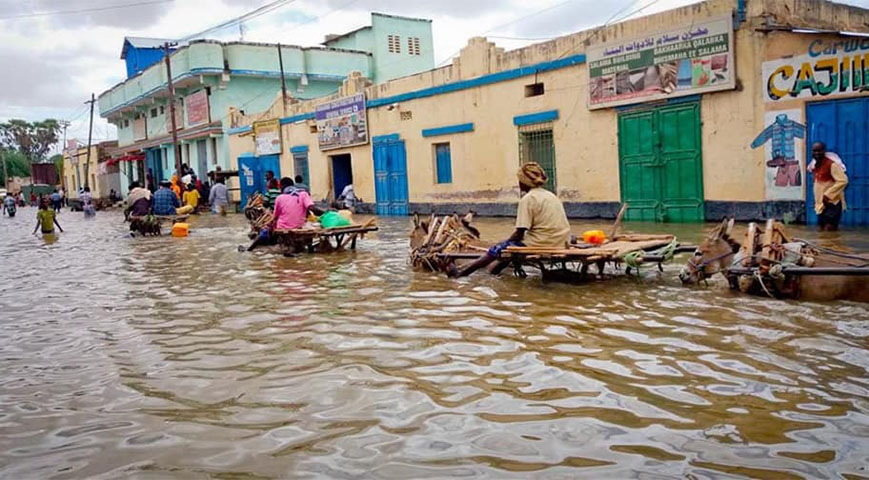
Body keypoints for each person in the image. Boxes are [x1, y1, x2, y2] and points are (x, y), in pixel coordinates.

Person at [450, 163, 570, 277]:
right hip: (561, 240)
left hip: (541, 242)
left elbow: (519, 233)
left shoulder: (528, 199)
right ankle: (493, 273)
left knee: (496, 249)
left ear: (523, 182)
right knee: (508, 248)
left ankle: (462, 274)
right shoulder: (551, 195)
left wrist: (503, 243)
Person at [810, 142, 848, 231]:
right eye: (814, 151)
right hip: (821, 204)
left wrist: (828, 195)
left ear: (824, 151)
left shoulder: (832, 165)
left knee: (829, 230)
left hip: (832, 203)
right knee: (821, 231)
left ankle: (834, 245)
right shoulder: (816, 165)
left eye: (819, 151)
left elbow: (843, 181)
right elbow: (819, 185)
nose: (816, 153)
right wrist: (817, 200)